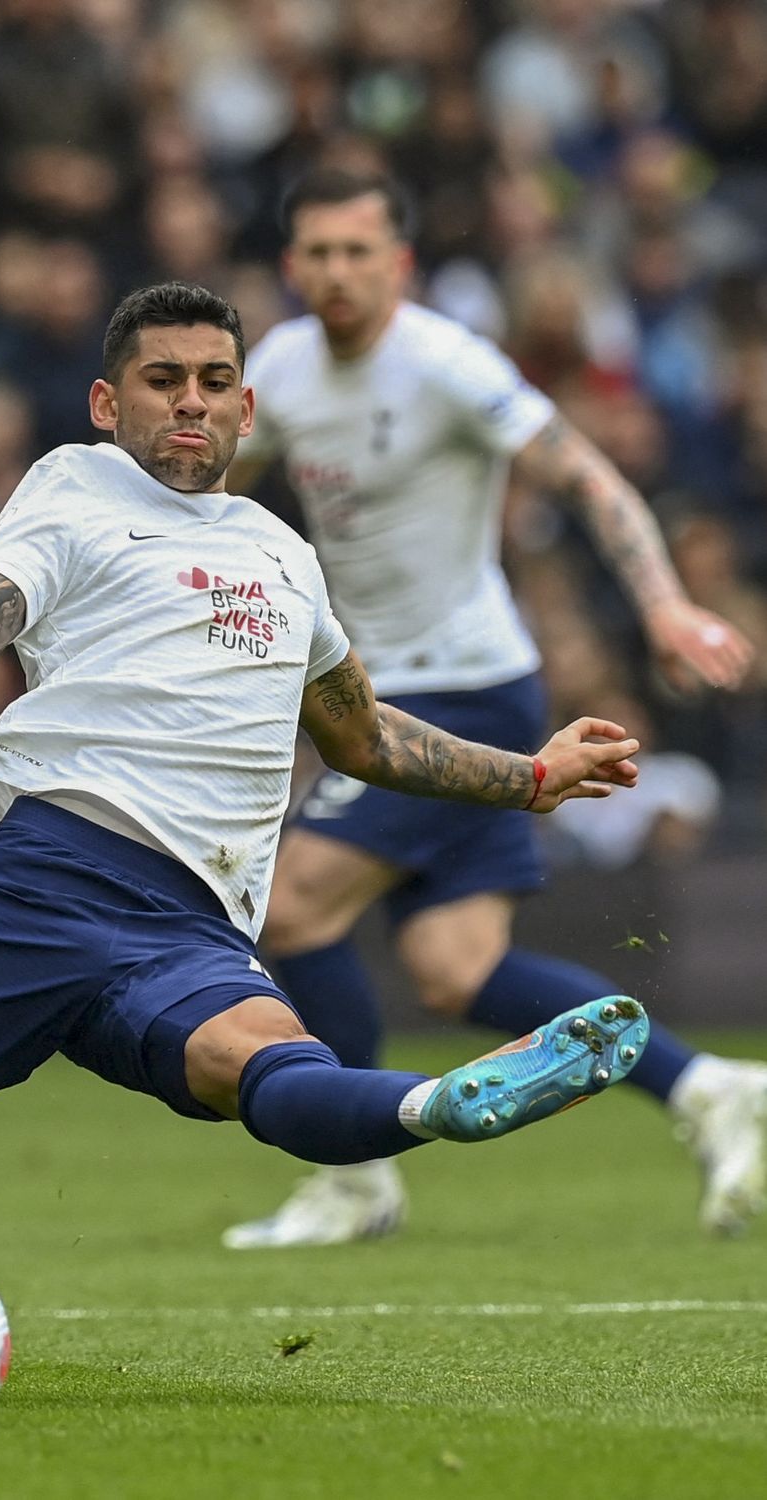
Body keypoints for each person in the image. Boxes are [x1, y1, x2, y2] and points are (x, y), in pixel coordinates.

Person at [0, 281, 652, 1352]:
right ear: (108, 402)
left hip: (188, 921)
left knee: (279, 1071)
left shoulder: (283, 556)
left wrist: (531, 775)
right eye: (163, 381)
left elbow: (365, 738)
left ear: (248, 412)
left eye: (215, 382)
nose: (191, 402)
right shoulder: (72, 492)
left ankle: (438, 1104)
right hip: (39, 887)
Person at [220, 167, 765, 1251]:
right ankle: (708, 1086)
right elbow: (217, 497)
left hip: (463, 684)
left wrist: (662, 607)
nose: (336, 272)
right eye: (317, 253)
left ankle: (353, 1170)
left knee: (293, 907)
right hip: (376, 685)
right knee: (455, 968)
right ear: (293, 266)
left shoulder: (448, 366)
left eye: (357, 252)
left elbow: (590, 477)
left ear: (399, 264)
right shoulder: (277, 369)